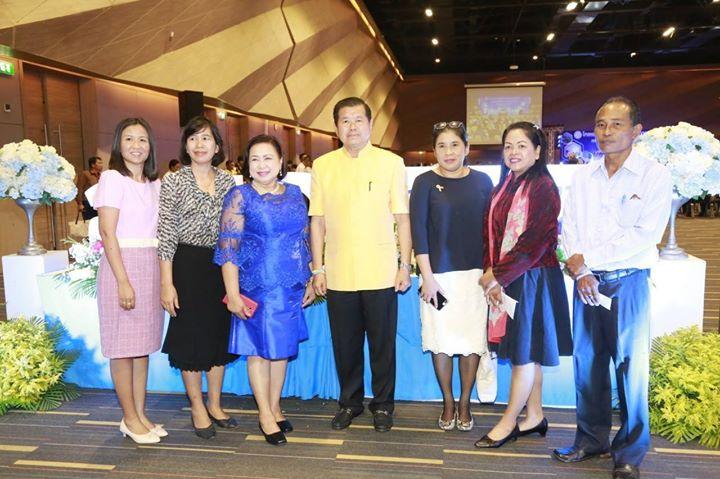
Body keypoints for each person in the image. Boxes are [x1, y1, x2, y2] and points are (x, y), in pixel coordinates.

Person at [553, 97, 672, 479]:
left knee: (630, 367)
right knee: (587, 363)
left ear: (636, 130)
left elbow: (646, 234)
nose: (606, 131)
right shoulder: (584, 176)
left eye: (616, 124)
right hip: (585, 282)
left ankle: (630, 453)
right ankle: (591, 440)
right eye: (600, 124)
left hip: (627, 282)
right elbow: (569, 225)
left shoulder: (653, 175)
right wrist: (580, 269)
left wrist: (585, 261)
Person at [309, 97, 412, 433]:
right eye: (345, 120)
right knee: (345, 345)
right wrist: (317, 269)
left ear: (370, 124)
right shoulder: (323, 165)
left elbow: (403, 218)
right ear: (336, 127)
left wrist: (405, 265)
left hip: (381, 271)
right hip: (339, 273)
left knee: (382, 345)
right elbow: (317, 221)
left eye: (358, 120)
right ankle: (349, 403)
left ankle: (382, 406)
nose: (351, 127)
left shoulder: (391, 163)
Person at [475, 121, 572, 448]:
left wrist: (497, 275)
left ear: (538, 151)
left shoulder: (543, 186)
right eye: (508, 146)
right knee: (530, 352)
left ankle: (508, 423)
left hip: (532, 279)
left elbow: (536, 242)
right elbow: (490, 233)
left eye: (521, 146)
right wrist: (491, 269)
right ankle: (534, 416)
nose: (513, 152)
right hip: (510, 276)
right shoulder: (505, 185)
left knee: (524, 354)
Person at [215, 134, 315, 446]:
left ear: (281, 162)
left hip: (291, 287)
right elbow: (228, 248)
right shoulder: (239, 196)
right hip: (255, 287)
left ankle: (274, 407)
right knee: (258, 351)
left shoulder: (296, 193)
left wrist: (310, 278)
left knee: (281, 350)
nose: (261, 165)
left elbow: (304, 239)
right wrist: (232, 294)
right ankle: (264, 414)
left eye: (268, 158)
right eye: (255, 159)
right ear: (247, 164)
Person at [409, 121, 493, 431]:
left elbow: (492, 231)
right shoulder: (424, 182)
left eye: (455, 145)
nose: (449, 152)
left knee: (472, 341)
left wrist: (491, 272)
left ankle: (465, 402)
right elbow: (419, 232)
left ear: (467, 148)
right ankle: (447, 402)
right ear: (434, 150)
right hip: (438, 277)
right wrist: (427, 277)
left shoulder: (483, 181)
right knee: (441, 341)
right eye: (442, 146)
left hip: (475, 278)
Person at [158, 117, 238, 440]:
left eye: (206, 138)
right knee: (191, 338)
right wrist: (167, 283)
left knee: (218, 335)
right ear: (186, 145)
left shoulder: (229, 182)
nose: (200, 144)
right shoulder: (173, 181)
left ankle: (215, 404)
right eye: (193, 138)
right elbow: (165, 234)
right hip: (186, 266)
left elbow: (234, 230)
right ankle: (196, 406)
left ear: (217, 146)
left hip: (221, 265)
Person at [95, 118, 164, 444]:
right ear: (118, 145)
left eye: (142, 139)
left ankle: (139, 414)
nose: (136, 146)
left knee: (141, 347)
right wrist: (122, 280)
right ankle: (129, 417)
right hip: (121, 266)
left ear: (150, 146)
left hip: (150, 265)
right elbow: (107, 232)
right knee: (123, 348)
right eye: (129, 139)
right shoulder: (112, 179)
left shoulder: (154, 184)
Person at [76, 156, 103, 220]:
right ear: (93, 165)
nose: (101, 165)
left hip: (98, 203)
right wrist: (80, 204)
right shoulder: (85, 174)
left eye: (101, 163)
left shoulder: (101, 175)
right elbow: (79, 188)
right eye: (99, 163)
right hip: (87, 203)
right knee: (90, 222)